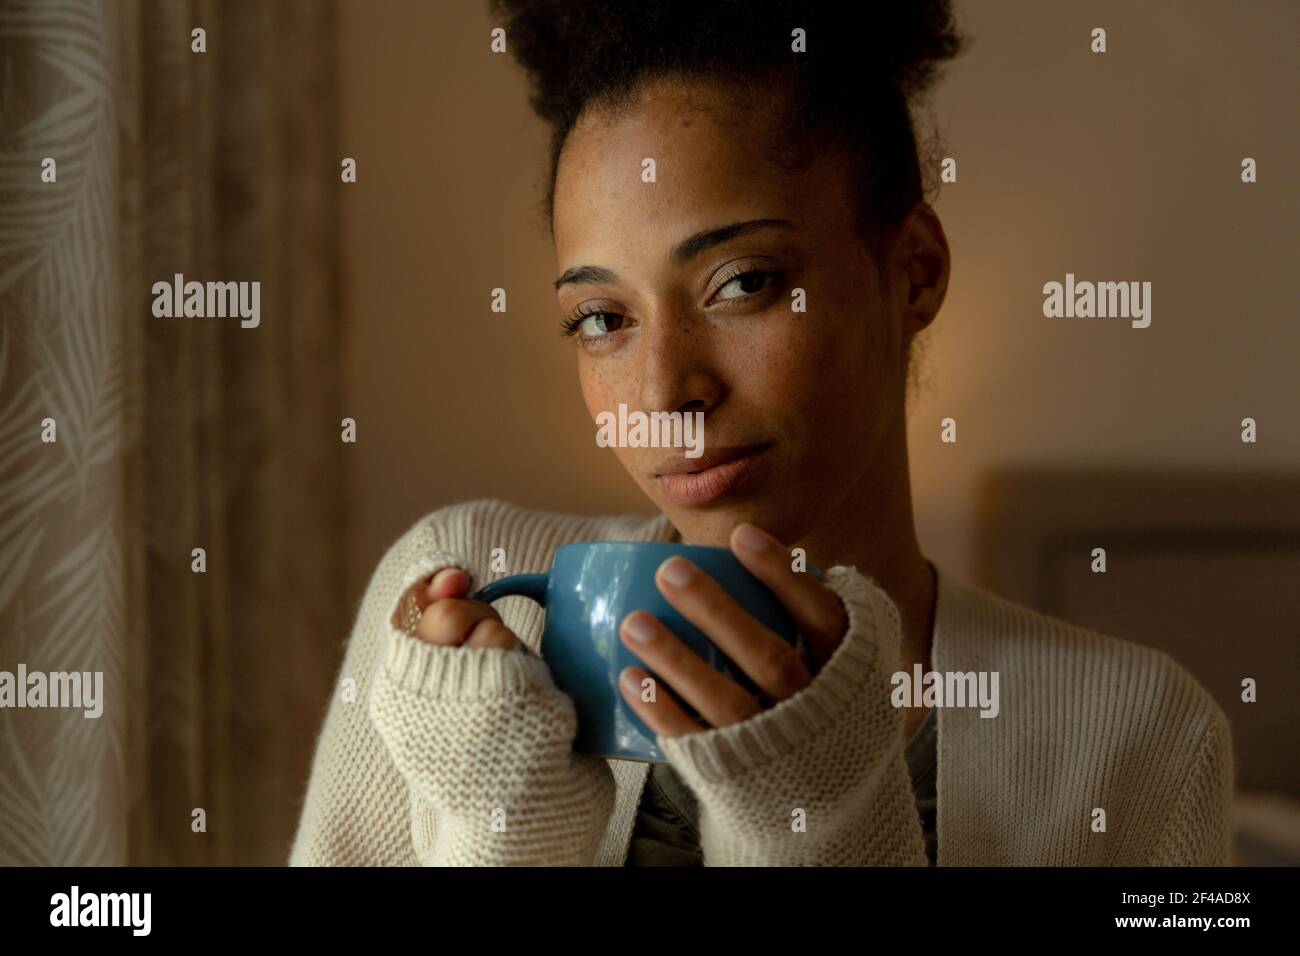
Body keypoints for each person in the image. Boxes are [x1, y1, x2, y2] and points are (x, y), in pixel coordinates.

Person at [289, 0, 1232, 866]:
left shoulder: (1139, 736)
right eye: (601, 320)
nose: (664, 391)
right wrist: (502, 825)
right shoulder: (454, 610)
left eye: (742, 284)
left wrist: (816, 811)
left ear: (914, 271)